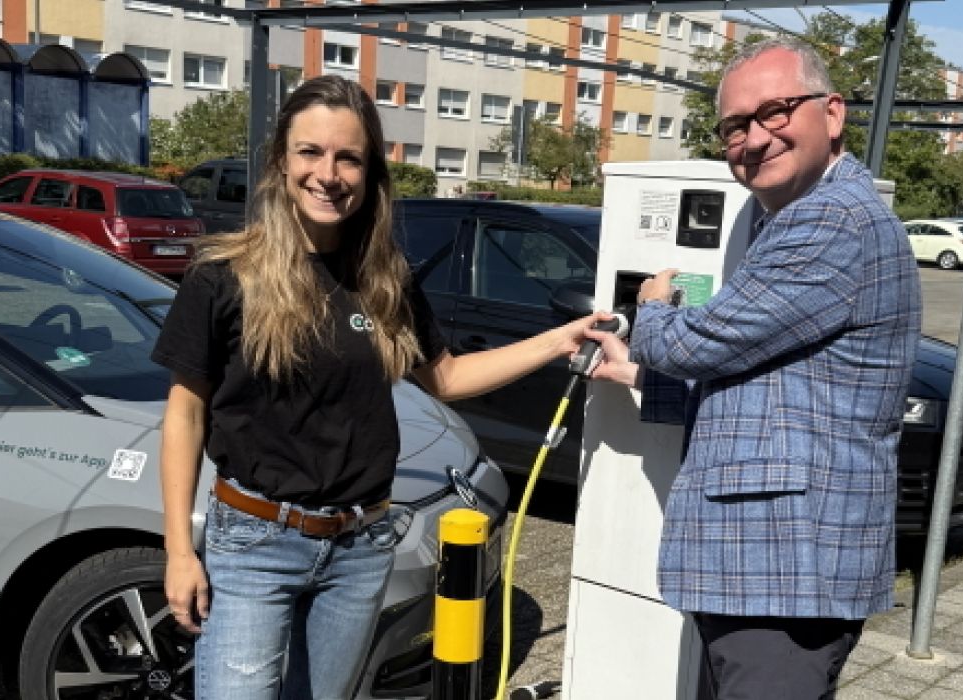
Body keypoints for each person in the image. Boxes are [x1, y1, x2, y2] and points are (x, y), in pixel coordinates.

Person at [152, 74, 600, 700]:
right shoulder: (226, 275)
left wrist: (559, 340)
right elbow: (185, 415)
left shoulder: (384, 278)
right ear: (282, 160)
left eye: (348, 157)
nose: (327, 173)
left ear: (370, 174)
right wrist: (179, 551)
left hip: (360, 546)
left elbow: (447, 376)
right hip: (255, 541)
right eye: (310, 152)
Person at [583, 37, 922, 699]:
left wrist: (651, 311)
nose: (754, 137)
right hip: (768, 575)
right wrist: (641, 374)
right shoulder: (794, 218)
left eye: (775, 112)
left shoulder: (832, 218)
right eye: (735, 125)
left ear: (831, 113)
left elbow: (696, 344)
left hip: (784, 573)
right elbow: (771, 382)